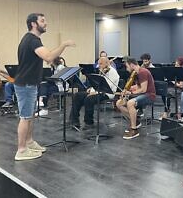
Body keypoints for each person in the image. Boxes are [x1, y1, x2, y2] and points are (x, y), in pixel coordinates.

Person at [14, 13, 75, 161]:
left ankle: (29, 142)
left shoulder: (31, 39)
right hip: (26, 84)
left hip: (29, 83)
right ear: (34, 24)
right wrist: (64, 44)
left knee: (30, 116)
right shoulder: (33, 40)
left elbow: (42, 57)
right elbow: (48, 57)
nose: (45, 23)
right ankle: (21, 150)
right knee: (25, 117)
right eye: (42, 21)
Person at [70, 57, 119, 131]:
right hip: (98, 91)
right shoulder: (102, 71)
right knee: (78, 95)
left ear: (107, 63)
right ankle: (74, 121)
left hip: (107, 93)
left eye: (100, 64)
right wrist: (91, 89)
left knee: (89, 99)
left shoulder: (112, 72)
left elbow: (107, 86)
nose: (98, 65)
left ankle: (89, 122)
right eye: (98, 64)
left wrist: (94, 92)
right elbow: (97, 83)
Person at [116, 57, 156, 140]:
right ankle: (136, 121)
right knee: (119, 103)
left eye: (127, 67)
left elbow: (144, 89)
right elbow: (138, 86)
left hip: (149, 95)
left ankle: (134, 129)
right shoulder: (136, 73)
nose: (127, 69)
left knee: (130, 103)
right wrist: (128, 89)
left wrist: (130, 93)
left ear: (131, 65)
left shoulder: (143, 72)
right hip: (142, 95)